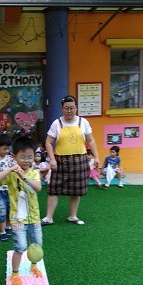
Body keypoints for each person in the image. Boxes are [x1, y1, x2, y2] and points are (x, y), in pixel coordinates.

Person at [0, 137, 44, 285]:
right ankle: (15, 273)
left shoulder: (34, 173)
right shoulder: (11, 174)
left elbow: (38, 188)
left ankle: (34, 265)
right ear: (14, 157)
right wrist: (10, 169)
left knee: (37, 244)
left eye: (30, 157)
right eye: (22, 157)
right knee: (20, 246)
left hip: (34, 217)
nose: (26, 160)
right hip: (17, 218)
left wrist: (24, 177)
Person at [41, 95, 100, 226]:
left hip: (80, 160)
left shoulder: (83, 122)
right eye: (66, 108)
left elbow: (90, 140)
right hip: (60, 161)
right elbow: (48, 142)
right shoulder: (57, 123)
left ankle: (73, 216)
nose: (69, 111)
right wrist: (52, 159)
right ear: (62, 109)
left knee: (76, 190)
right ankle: (48, 217)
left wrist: (96, 157)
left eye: (72, 108)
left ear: (76, 108)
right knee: (53, 189)